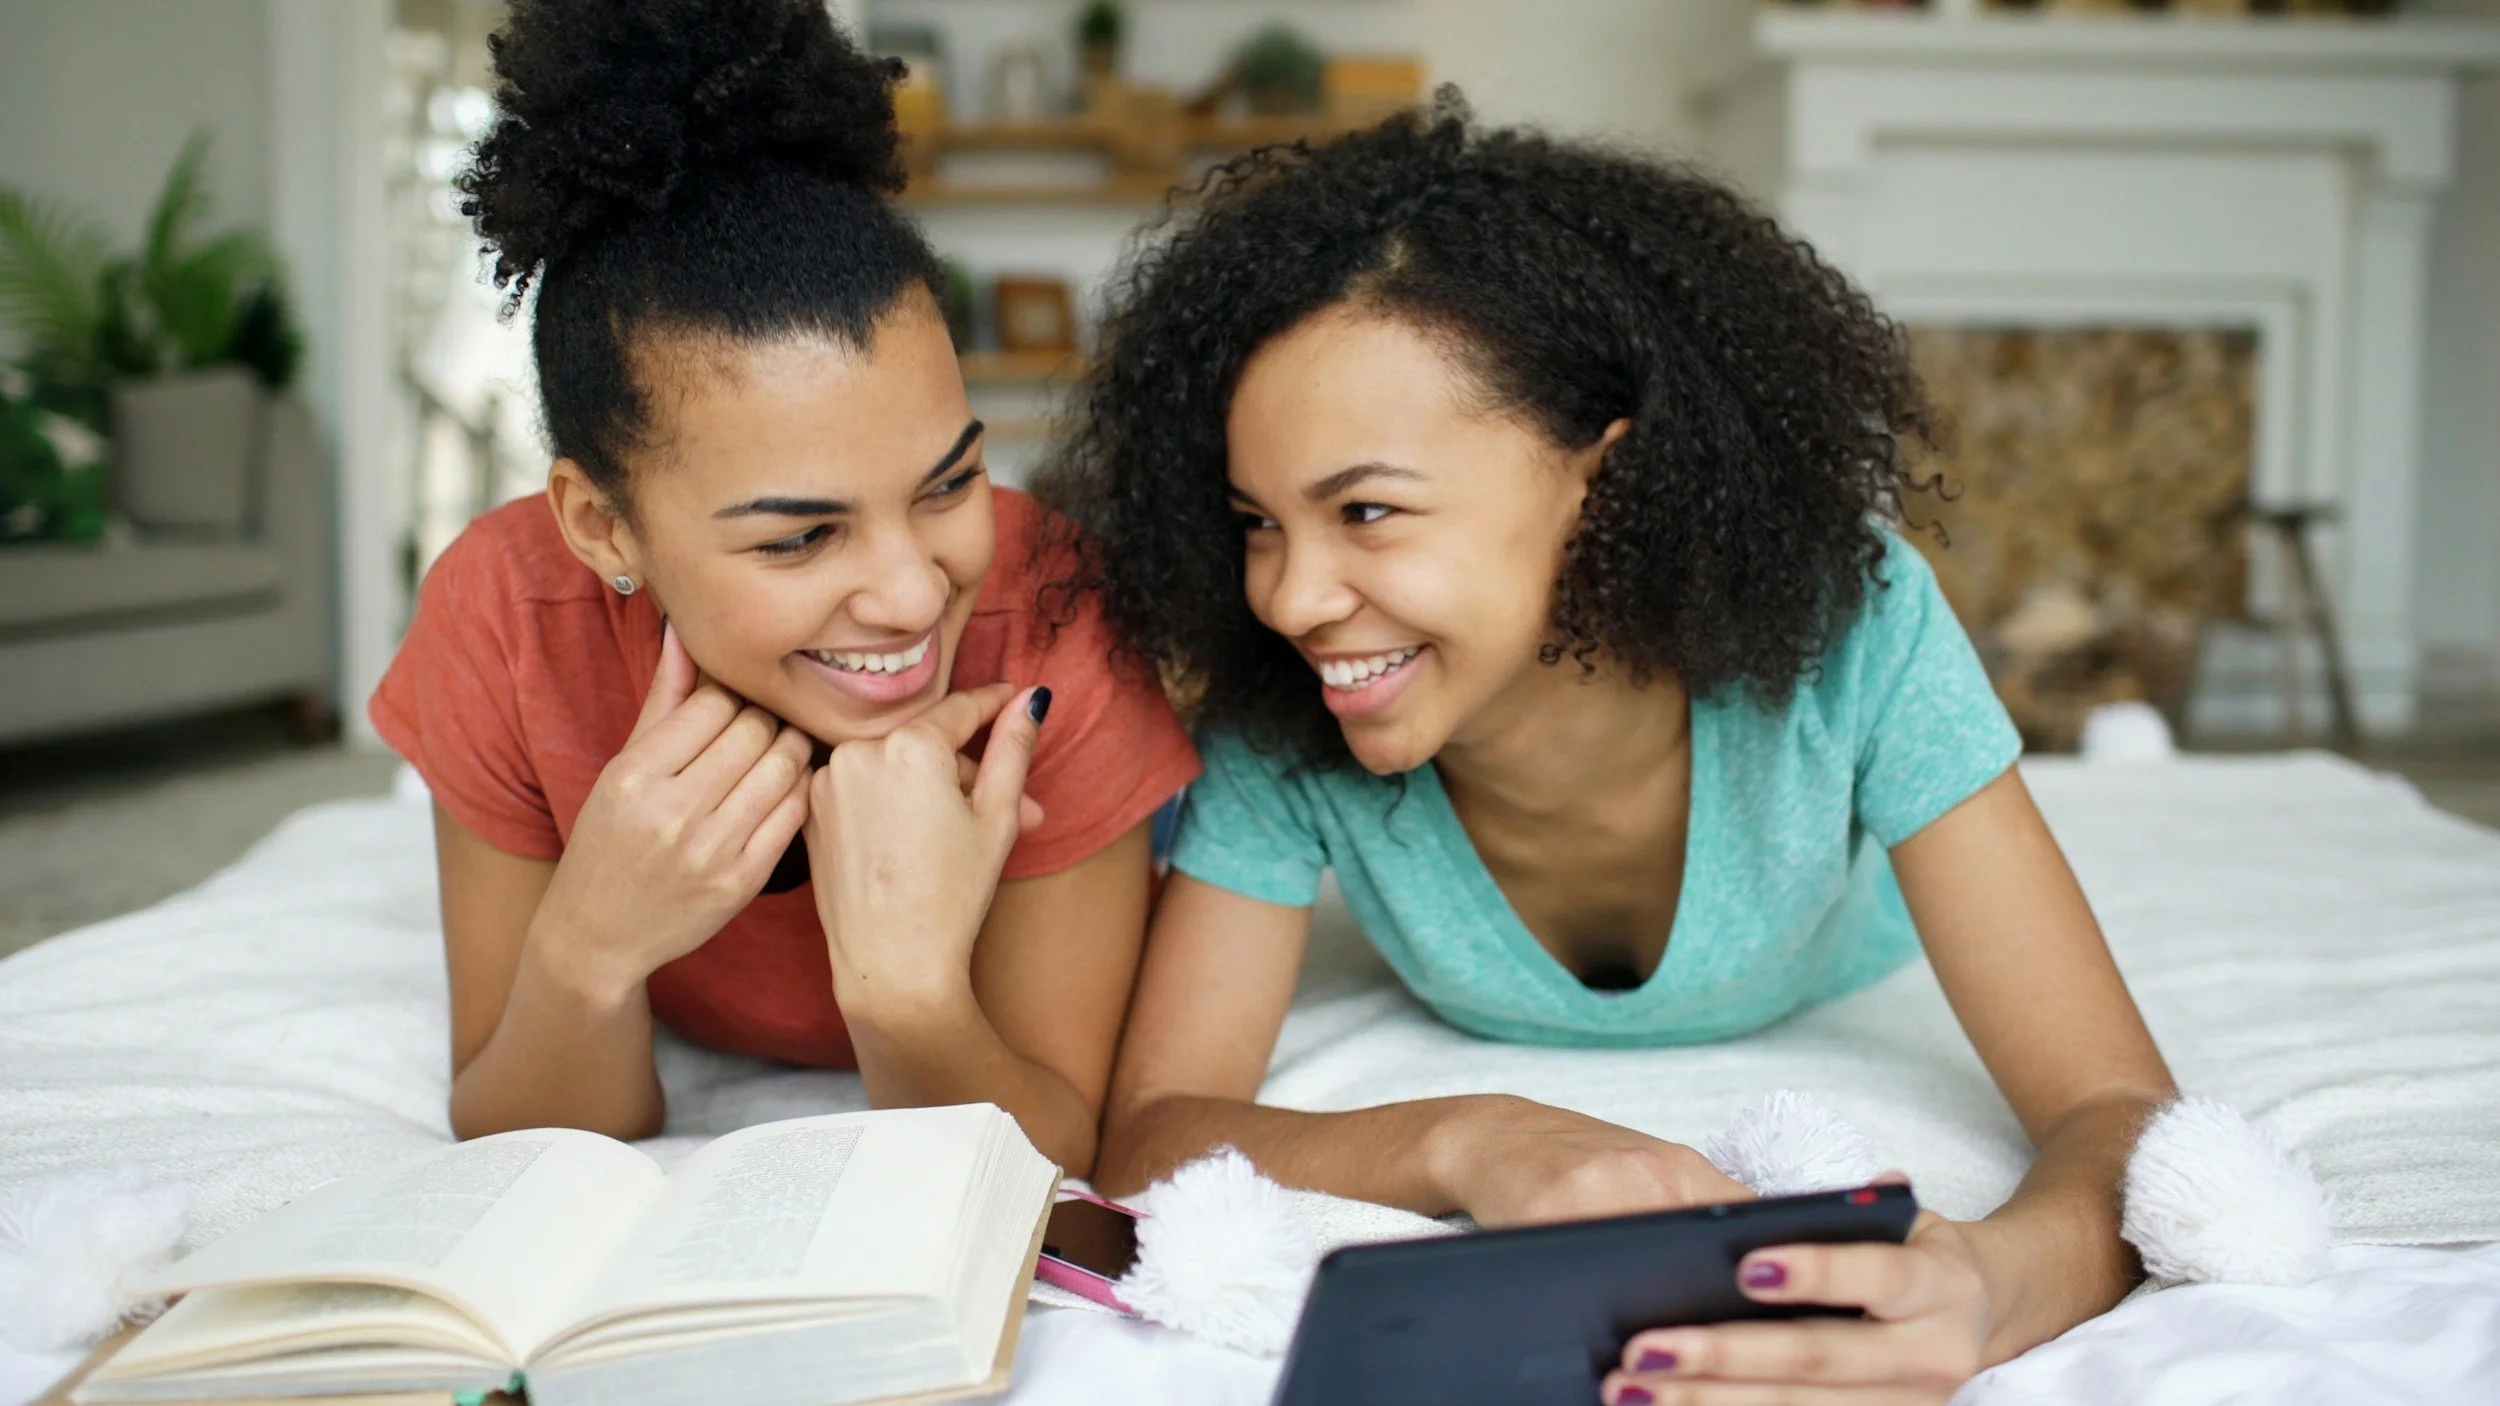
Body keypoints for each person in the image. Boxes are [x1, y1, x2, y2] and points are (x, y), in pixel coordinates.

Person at [1040, 102, 2176, 1401]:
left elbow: (2116, 1110)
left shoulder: (1856, 625)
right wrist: (1480, 1140)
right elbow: (1157, 1128)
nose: (1292, 599)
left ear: (1607, 481)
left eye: (1367, 510)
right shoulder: (1286, 712)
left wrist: (1988, 1283)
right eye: (1258, 523)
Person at [369, 0, 1198, 1177]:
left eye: (949, 481)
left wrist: (906, 990)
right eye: (800, 539)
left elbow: (1049, 1146)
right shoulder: (506, 616)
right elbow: (527, 1128)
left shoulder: (1056, 612)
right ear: (602, 523)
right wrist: (590, 944)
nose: (912, 596)